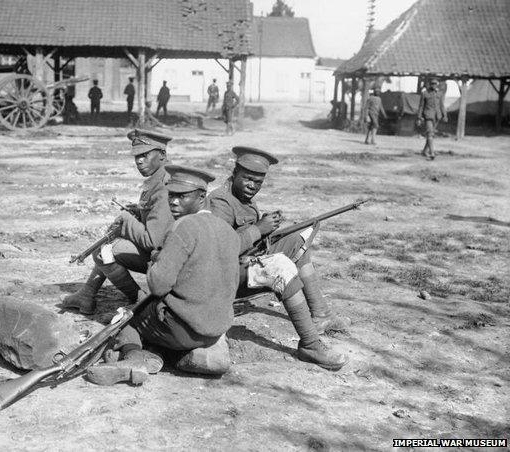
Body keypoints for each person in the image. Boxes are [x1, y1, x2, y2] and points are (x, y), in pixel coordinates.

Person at [86, 165, 241, 385]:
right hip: (216, 327)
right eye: (172, 195)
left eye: (182, 196)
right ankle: (189, 356)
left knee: (126, 317)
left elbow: (158, 286)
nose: (174, 202)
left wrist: (155, 262)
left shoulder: (183, 227)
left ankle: (133, 359)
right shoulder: (228, 231)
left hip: (183, 327)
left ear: (201, 197)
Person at [208, 147, 349, 371]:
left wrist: (267, 228)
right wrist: (258, 229)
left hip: (242, 263)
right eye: (247, 179)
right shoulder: (221, 201)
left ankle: (321, 313)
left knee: (296, 240)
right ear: (234, 173)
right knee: (280, 267)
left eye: (258, 182)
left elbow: (246, 237)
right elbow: (218, 250)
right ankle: (310, 345)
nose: (253, 186)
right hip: (223, 278)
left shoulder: (242, 197)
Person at [62, 129, 174, 314]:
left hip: (167, 259)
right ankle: (87, 294)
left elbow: (153, 241)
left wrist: (126, 220)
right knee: (108, 244)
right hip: (163, 252)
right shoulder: (158, 178)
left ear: (162, 154)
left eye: (145, 155)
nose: (139, 160)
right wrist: (138, 212)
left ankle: (140, 301)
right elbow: (159, 218)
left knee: (103, 252)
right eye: (136, 156)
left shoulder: (163, 186)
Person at [417, 78, 447, 160]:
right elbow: (421, 106)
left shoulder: (439, 94)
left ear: (437, 85)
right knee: (430, 133)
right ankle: (432, 153)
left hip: (437, 116)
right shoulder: (425, 94)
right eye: (432, 84)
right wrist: (419, 118)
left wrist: (445, 115)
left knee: (431, 134)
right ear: (430, 84)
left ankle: (424, 151)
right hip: (428, 116)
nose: (434, 85)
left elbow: (442, 105)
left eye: (435, 84)